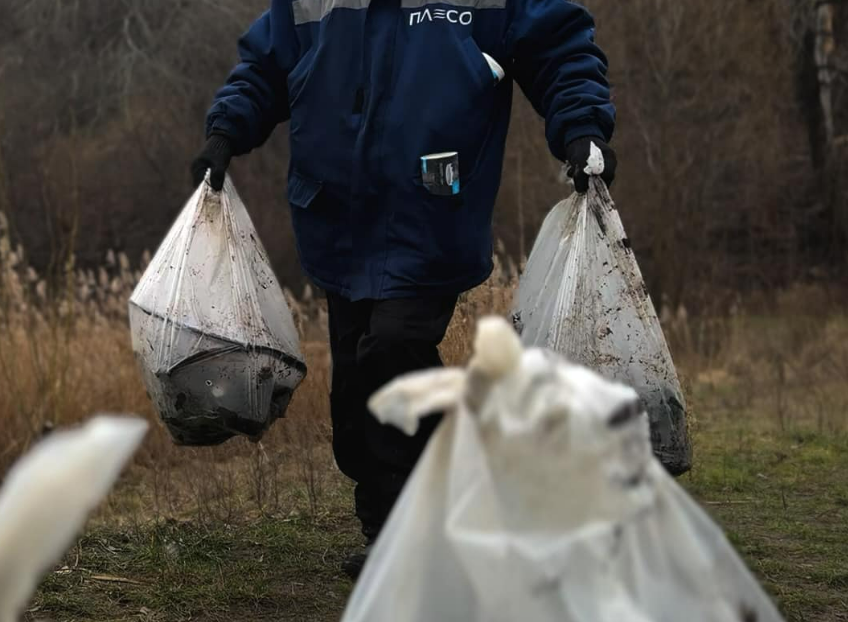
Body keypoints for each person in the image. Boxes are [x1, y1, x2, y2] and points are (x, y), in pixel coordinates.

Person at [192, 0, 616, 574]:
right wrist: (226, 131)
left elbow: (560, 50)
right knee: (355, 402)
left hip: (432, 212)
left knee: (393, 351)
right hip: (336, 218)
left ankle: (420, 532)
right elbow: (268, 64)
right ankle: (390, 531)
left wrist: (581, 129)